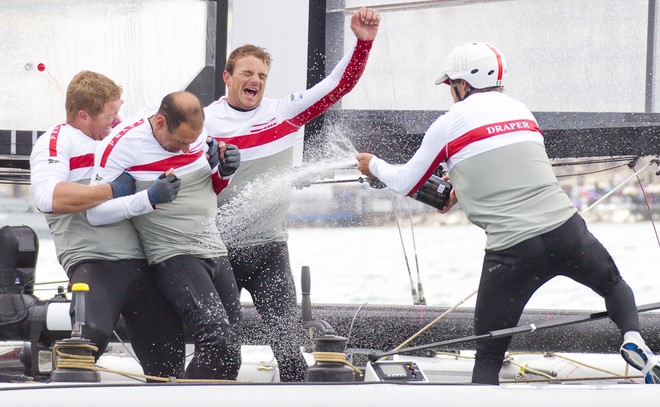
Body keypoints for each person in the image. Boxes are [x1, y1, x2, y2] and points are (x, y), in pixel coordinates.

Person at [356, 42, 660, 385]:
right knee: (614, 285)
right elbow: (511, 165)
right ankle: (633, 338)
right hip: (567, 232)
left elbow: (406, 180)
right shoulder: (521, 110)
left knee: (488, 355)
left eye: (450, 85)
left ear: (463, 83)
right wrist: (465, 184)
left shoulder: (449, 123)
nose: (450, 93)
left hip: (514, 252)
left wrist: (373, 165)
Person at [203, 6, 381, 382]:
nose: (256, 81)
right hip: (219, 252)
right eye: (248, 73)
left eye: (262, 76)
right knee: (224, 352)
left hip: (270, 248)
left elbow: (339, 85)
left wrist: (362, 44)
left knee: (290, 355)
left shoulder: (283, 113)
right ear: (228, 77)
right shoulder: (203, 122)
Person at [29, 70, 183, 379]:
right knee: (85, 346)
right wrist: (113, 188)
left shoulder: (119, 136)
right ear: (83, 115)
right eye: (110, 116)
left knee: (169, 358)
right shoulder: (56, 142)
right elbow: (48, 197)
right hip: (94, 263)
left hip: (141, 262)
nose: (117, 122)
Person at [87, 91, 243, 380]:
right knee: (218, 342)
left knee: (233, 350)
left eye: (192, 142)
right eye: (180, 142)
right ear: (160, 122)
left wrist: (226, 170)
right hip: (174, 255)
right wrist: (148, 198)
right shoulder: (123, 144)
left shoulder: (193, 133)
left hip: (214, 247)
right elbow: (94, 214)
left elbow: (211, 185)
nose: (186, 150)